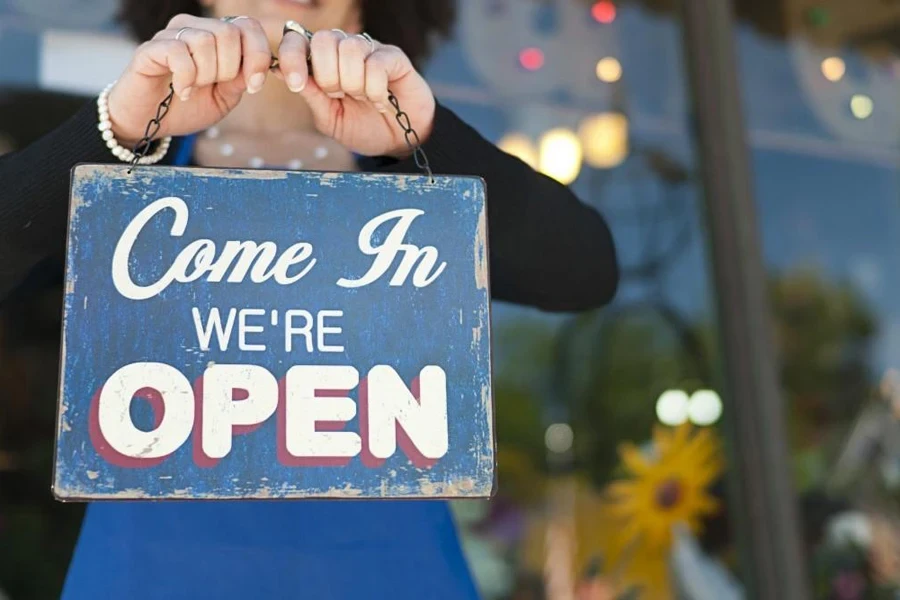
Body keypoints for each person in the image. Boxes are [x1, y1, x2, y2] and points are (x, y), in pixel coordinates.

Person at [0, 0, 620, 598]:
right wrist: (118, 128)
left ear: (361, 12)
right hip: (153, 576)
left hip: (390, 574)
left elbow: (583, 271)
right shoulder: (122, 177)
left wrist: (422, 140)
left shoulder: (405, 177)